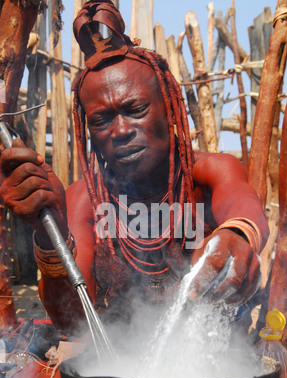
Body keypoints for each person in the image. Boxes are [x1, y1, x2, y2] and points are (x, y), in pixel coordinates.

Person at [0, 0, 269, 338]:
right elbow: (73, 324)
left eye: (136, 109)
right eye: (101, 120)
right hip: (124, 365)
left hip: (218, 362)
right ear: (89, 133)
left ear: (169, 109)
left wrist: (238, 235)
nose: (121, 130)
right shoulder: (85, 200)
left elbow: (244, 207)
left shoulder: (209, 173)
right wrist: (47, 232)